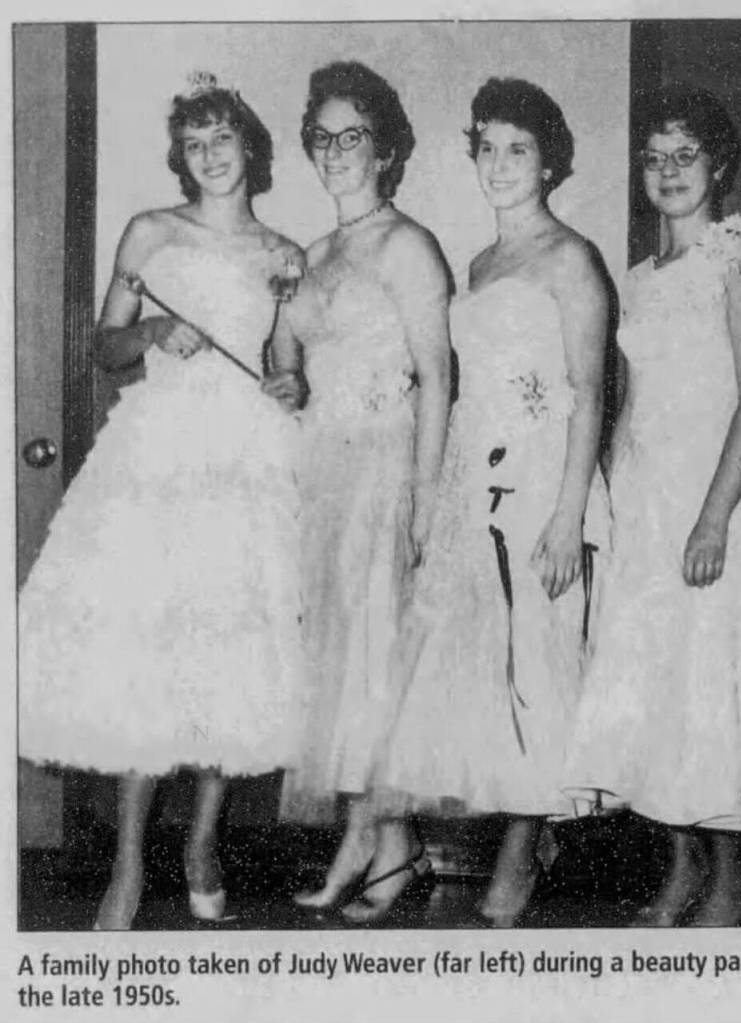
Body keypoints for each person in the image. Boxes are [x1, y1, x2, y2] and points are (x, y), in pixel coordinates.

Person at [18, 72, 307, 930]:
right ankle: (129, 863)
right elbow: (105, 347)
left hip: (246, 461)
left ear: (250, 147)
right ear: (181, 157)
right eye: (195, 144)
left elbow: (285, 362)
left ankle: (203, 844)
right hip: (158, 458)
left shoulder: (284, 251)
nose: (211, 156)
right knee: (148, 656)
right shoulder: (150, 232)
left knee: (228, 657)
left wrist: (290, 382)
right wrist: (147, 332)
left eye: (224, 140)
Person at [563, 85, 741, 926]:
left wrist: (714, 517)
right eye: (654, 159)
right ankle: (682, 870)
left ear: (718, 163)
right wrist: (607, 505)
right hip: (647, 498)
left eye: (684, 156)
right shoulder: (643, 276)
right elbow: (633, 399)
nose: (667, 172)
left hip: (716, 497)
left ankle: (733, 878)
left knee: (709, 692)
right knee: (653, 692)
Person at [340, 77, 612, 927]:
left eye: (518, 150)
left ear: (549, 161)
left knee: (538, 660)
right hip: (474, 475)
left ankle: (523, 850)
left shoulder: (573, 259)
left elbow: (592, 394)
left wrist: (568, 513)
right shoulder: (481, 263)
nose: (500, 165)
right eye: (487, 148)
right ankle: (502, 838)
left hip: (542, 484)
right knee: (480, 668)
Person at [270, 62, 452, 914]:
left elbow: (439, 380)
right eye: (323, 137)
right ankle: (369, 839)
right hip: (322, 470)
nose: (336, 152)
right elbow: (289, 361)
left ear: (386, 151)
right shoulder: (310, 254)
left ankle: (393, 844)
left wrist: (424, 496)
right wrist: (284, 377)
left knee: (378, 659)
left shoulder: (408, 244)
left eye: (354, 137)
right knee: (335, 664)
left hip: (385, 467)